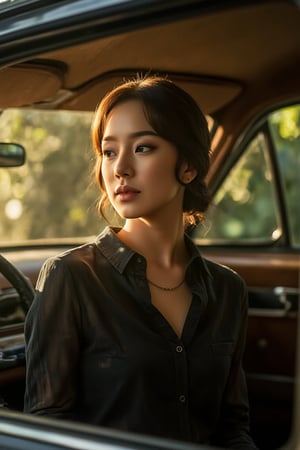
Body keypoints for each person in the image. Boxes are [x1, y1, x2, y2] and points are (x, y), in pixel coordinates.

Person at [24, 75, 257, 449]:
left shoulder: (228, 289)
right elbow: (47, 432)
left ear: (188, 166)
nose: (121, 169)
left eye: (144, 147)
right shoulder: (71, 278)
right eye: (109, 151)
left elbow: (233, 429)